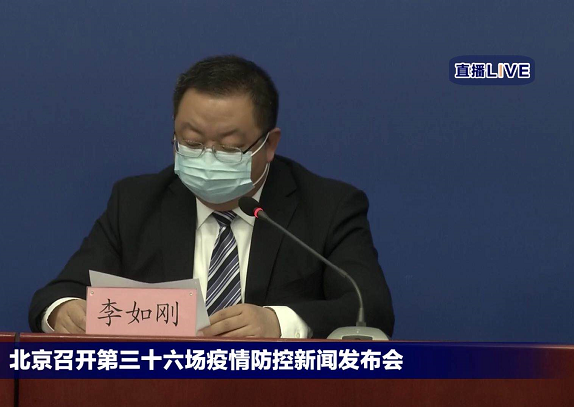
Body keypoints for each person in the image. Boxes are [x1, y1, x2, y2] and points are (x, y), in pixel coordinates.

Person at [28, 55, 394, 338]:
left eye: (230, 147)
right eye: (191, 142)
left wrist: (278, 322)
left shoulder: (328, 206)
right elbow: (56, 295)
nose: (207, 158)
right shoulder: (136, 202)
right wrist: (64, 311)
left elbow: (371, 309)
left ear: (269, 144)